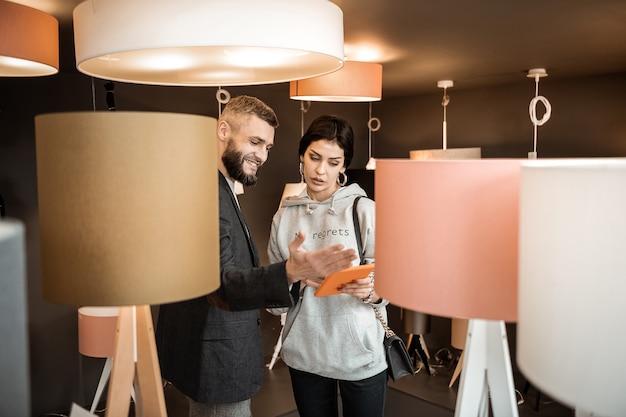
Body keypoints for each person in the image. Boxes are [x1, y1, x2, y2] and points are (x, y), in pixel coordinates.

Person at [155, 96, 357, 417]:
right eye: (254, 141)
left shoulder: (214, 186)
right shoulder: (207, 192)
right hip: (218, 362)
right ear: (223, 130)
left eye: (267, 147)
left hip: (209, 355)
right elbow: (221, 284)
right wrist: (291, 272)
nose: (262, 155)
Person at [267, 114, 388, 417]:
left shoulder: (365, 211)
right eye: (314, 158)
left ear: (344, 166)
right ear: (302, 156)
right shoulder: (284, 217)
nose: (321, 170)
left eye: (333, 162)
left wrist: (371, 290)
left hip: (360, 355)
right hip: (305, 355)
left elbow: (393, 283)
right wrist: (293, 277)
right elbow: (274, 305)